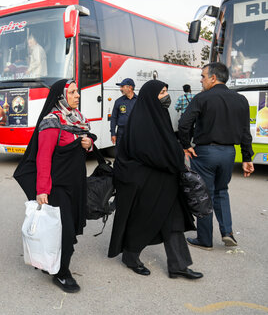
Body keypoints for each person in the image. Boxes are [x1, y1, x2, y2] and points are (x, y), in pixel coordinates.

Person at [108, 80, 203, 280]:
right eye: (162, 92)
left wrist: (175, 157)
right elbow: (148, 152)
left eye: (166, 92)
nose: (165, 96)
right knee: (143, 221)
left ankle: (179, 265)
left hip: (167, 180)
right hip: (147, 182)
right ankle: (131, 256)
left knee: (173, 220)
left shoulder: (160, 115)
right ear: (151, 95)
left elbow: (167, 145)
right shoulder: (141, 119)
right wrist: (174, 159)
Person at [14, 80, 93, 293]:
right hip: (57, 187)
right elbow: (43, 158)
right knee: (64, 230)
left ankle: (52, 263)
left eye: (78, 92)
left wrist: (88, 144)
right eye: (73, 92)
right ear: (61, 96)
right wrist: (42, 190)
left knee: (68, 227)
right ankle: (61, 273)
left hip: (75, 184)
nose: (78, 96)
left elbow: (82, 143)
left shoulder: (78, 119)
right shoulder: (52, 121)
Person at [179, 62, 254, 250]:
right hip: (229, 153)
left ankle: (204, 239)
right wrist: (247, 158)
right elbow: (245, 132)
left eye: (203, 76)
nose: (201, 80)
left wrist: (186, 145)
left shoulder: (202, 98)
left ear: (213, 78)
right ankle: (227, 232)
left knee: (204, 194)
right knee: (222, 191)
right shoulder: (241, 100)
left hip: (205, 153)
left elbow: (184, 124)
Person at [110, 78, 137, 145]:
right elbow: (113, 118)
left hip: (135, 131)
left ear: (130, 87)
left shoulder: (139, 101)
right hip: (121, 132)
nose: (120, 89)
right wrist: (113, 133)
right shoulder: (118, 101)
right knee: (120, 153)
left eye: (122, 87)